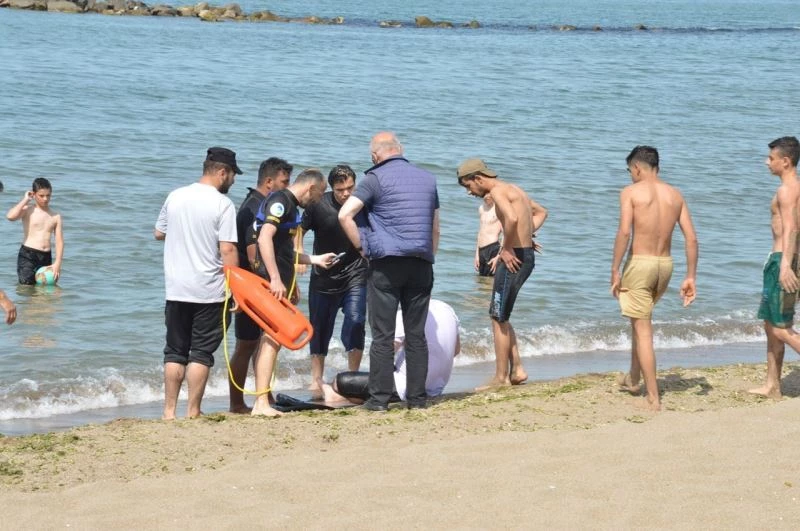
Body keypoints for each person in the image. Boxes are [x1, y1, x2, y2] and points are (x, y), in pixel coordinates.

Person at [339, 131, 440, 411]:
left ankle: (379, 400)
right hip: (421, 263)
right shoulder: (427, 179)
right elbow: (435, 227)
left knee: (382, 334)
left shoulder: (374, 179)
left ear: (375, 156)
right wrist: (429, 255)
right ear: (400, 149)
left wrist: (362, 248)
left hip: (386, 264)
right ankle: (418, 400)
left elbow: (344, 214)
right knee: (416, 334)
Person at [154, 147, 241, 420]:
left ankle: (169, 412)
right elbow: (227, 250)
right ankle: (193, 411)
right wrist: (237, 288)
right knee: (201, 353)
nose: (233, 181)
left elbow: (159, 232)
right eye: (233, 175)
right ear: (221, 172)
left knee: (175, 352)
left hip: (176, 288)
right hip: (210, 291)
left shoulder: (175, 195)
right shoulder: (222, 204)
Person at [611, 146, 698, 411]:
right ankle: (633, 378)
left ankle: (653, 396)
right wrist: (690, 276)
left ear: (637, 167)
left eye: (630, 171)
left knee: (643, 329)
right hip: (665, 265)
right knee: (640, 320)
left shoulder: (631, 192)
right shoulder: (675, 195)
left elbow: (625, 232)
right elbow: (691, 238)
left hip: (640, 263)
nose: (630, 176)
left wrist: (615, 269)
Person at [251, 168, 337, 416]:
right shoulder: (281, 202)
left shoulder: (291, 206)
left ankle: (262, 399)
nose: (319, 199)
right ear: (310, 188)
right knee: (271, 339)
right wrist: (276, 278)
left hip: (278, 284)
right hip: (270, 283)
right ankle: (260, 403)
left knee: (271, 341)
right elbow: (264, 238)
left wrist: (316, 259)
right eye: (319, 194)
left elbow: (286, 254)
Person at [457, 158, 547, 391]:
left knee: (497, 317)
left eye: (469, 186)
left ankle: (500, 378)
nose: (470, 191)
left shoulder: (497, 193)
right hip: (524, 254)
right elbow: (540, 212)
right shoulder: (514, 189)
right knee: (501, 315)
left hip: (514, 257)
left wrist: (507, 247)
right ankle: (517, 369)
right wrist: (525, 237)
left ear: (478, 178)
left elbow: (513, 218)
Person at [228, 157, 292, 414]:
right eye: (283, 182)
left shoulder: (259, 203)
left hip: (254, 288)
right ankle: (236, 403)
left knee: (259, 343)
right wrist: (269, 289)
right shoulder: (254, 206)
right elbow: (254, 255)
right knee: (246, 344)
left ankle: (264, 395)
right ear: (269, 181)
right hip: (252, 288)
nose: (287, 188)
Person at [298, 165, 368, 399]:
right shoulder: (318, 205)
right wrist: (300, 255)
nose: (346, 194)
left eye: (350, 188)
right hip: (323, 277)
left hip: (356, 274)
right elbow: (299, 229)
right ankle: (316, 378)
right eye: (341, 190)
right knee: (319, 329)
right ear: (331, 188)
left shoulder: (361, 204)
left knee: (357, 320)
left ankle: (353, 375)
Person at [320, 299, 460, 405]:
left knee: (340, 381)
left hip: (407, 389)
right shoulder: (446, 308)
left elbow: (385, 353)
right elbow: (455, 350)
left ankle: (336, 396)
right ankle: (346, 398)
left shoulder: (405, 314)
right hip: (438, 387)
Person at [749, 136, 800, 400]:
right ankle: (772, 386)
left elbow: (792, 227)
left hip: (783, 260)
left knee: (780, 328)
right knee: (771, 326)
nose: (766, 162)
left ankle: (772, 385)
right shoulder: (796, 187)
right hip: (786, 259)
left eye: (771, 158)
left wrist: (785, 266)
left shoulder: (786, 190)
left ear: (786, 161)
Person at [6, 178, 64, 285]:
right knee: (26, 288)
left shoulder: (56, 216)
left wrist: (57, 263)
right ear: (34, 194)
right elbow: (10, 216)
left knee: (45, 290)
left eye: (48, 195)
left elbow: (59, 241)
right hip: (28, 255)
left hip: (46, 257)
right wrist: (25, 199)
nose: (45, 199)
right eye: (41, 196)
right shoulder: (28, 210)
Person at [475, 196, 502, 276]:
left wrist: (498, 256)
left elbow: (505, 234)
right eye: (484, 194)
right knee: (481, 280)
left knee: (490, 281)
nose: (486, 196)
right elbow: (480, 231)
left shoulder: (499, 209)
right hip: (481, 250)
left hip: (493, 248)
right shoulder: (481, 208)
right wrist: (477, 254)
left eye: (489, 194)